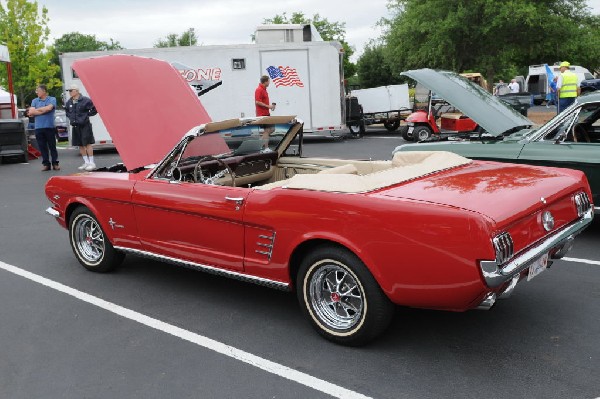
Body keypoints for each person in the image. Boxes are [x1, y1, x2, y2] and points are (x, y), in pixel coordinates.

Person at [65, 84, 98, 171]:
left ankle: (92, 162)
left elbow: (94, 109)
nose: (70, 92)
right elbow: (67, 111)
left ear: (76, 91)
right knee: (80, 144)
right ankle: (86, 162)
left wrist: (86, 116)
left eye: (71, 90)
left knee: (87, 143)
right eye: (69, 91)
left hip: (85, 125)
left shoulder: (85, 100)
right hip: (75, 125)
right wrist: (71, 118)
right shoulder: (69, 102)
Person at [28, 85, 59, 171]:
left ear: (44, 91)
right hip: (38, 127)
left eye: (38, 90)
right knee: (42, 147)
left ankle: (55, 163)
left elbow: (49, 108)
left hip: (49, 126)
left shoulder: (52, 99)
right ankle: (46, 164)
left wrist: (37, 111)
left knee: (52, 146)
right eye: (36, 91)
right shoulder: (34, 100)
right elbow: (31, 112)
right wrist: (43, 110)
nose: (37, 92)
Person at [254, 75, 276, 150]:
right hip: (262, 114)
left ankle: (260, 142)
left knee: (272, 129)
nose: (269, 83)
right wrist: (268, 106)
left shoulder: (264, 89)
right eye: (269, 81)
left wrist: (270, 107)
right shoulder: (259, 89)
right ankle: (266, 148)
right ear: (265, 81)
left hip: (266, 113)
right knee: (267, 130)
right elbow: (257, 102)